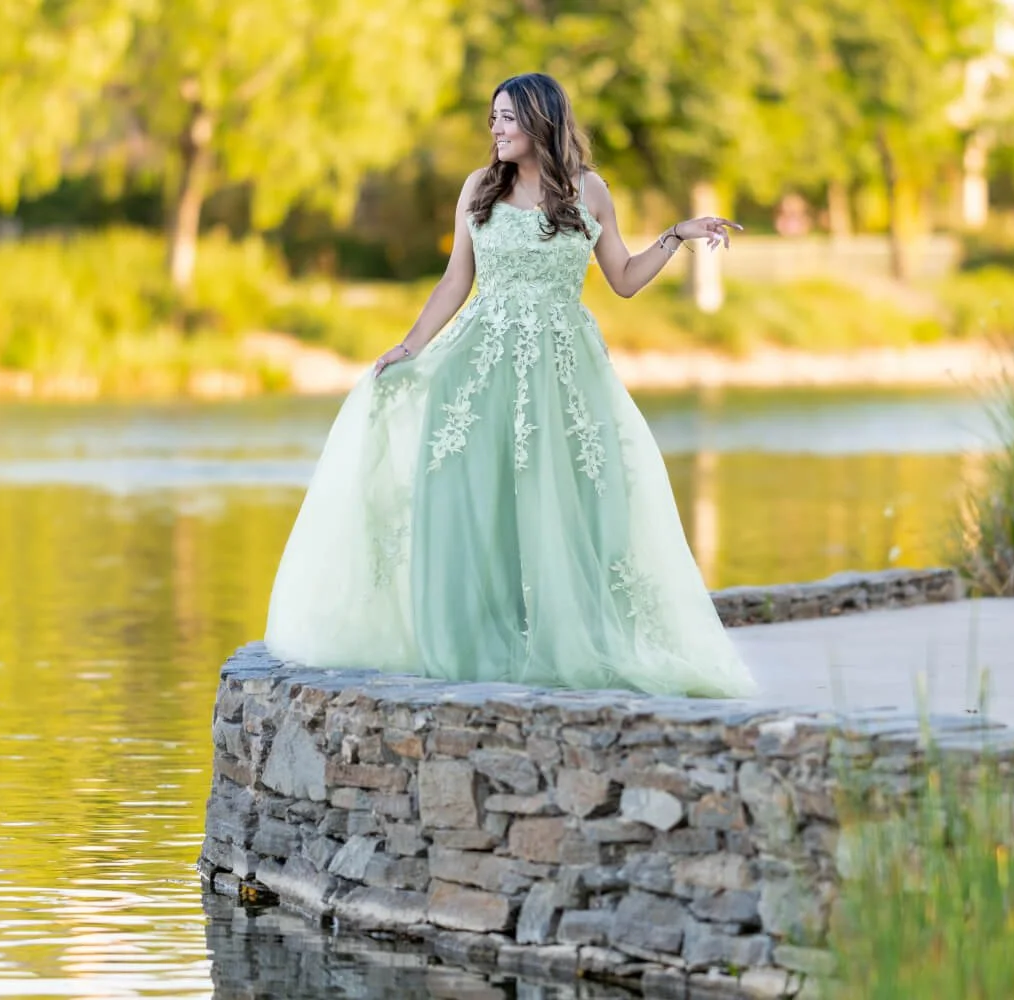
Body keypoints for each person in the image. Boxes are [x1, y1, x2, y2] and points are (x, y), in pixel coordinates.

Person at [263, 72, 758, 699]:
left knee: (569, 503)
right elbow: (454, 281)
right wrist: (411, 346)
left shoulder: (589, 190)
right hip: (478, 367)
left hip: (563, 374)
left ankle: (560, 639)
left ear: (539, 121)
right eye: (492, 117)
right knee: (470, 499)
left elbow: (626, 279)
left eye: (506, 117)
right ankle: (468, 642)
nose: (494, 128)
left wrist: (677, 235)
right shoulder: (479, 188)